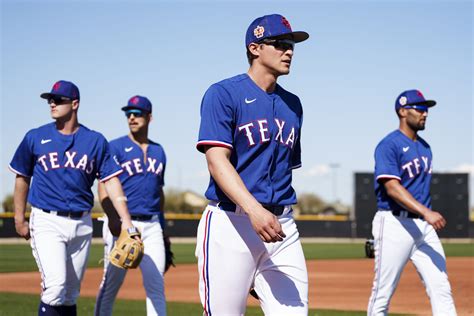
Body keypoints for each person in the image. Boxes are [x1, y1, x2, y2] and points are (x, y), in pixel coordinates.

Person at [195, 14, 309, 315]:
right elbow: (217, 162)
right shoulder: (223, 93)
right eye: (280, 43)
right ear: (255, 47)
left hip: (281, 226)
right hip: (232, 223)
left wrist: (269, 213)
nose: (289, 51)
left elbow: (284, 169)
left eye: (292, 44)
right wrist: (254, 210)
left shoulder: (292, 104)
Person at [9, 80, 138, 316]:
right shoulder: (35, 137)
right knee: (55, 288)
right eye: (50, 100)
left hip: (82, 222)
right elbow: (22, 177)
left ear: (75, 104)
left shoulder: (95, 140)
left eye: (58, 100)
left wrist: (126, 221)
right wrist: (19, 217)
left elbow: (111, 180)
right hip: (47, 219)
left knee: (70, 293)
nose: (52, 104)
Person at [367, 89, 457, 315]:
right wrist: (427, 212)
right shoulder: (389, 145)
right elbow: (392, 188)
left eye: (426, 109)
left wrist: (425, 216)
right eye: (420, 108)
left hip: (423, 228)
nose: (425, 113)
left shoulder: (425, 147)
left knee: (441, 287)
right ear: (403, 111)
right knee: (382, 294)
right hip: (395, 223)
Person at [94, 95, 168, 316]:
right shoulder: (114, 146)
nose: (132, 118)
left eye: (137, 113)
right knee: (110, 286)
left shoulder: (159, 151)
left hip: (152, 225)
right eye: (129, 114)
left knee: (156, 287)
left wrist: (163, 230)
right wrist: (114, 220)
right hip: (124, 224)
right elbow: (103, 187)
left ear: (149, 117)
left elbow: (159, 191)